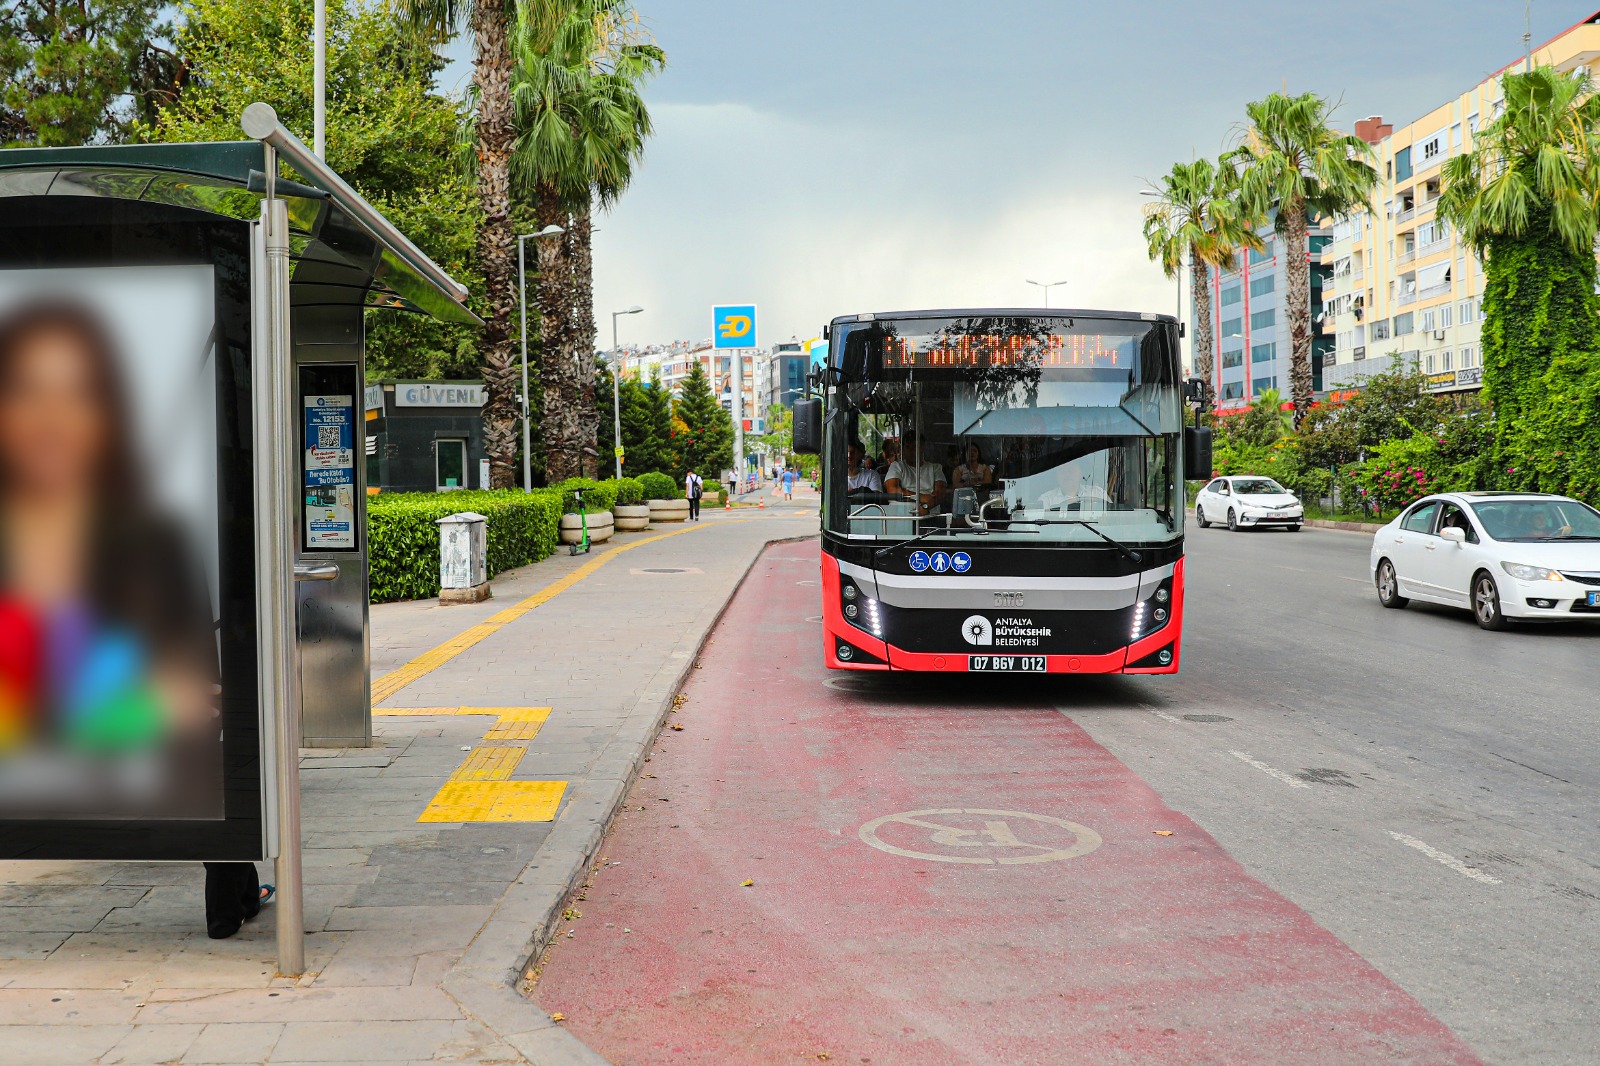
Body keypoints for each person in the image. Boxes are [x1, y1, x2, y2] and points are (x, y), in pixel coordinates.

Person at [0, 301, 271, 940]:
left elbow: (192, 702)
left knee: (203, 739)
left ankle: (232, 891)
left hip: (162, 766)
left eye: (78, 394)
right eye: (28, 390)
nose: (52, 420)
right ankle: (231, 893)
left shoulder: (154, 542)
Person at [884, 429, 947, 515]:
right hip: (900, 516)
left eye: (914, 447)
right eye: (907, 447)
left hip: (929, 515)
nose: (911, 451)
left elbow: (940, 494)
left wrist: (926, 507)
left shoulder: (935, 468)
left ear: (922, 447)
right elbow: (892, 490)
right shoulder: (896, 466)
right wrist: (920, 497)